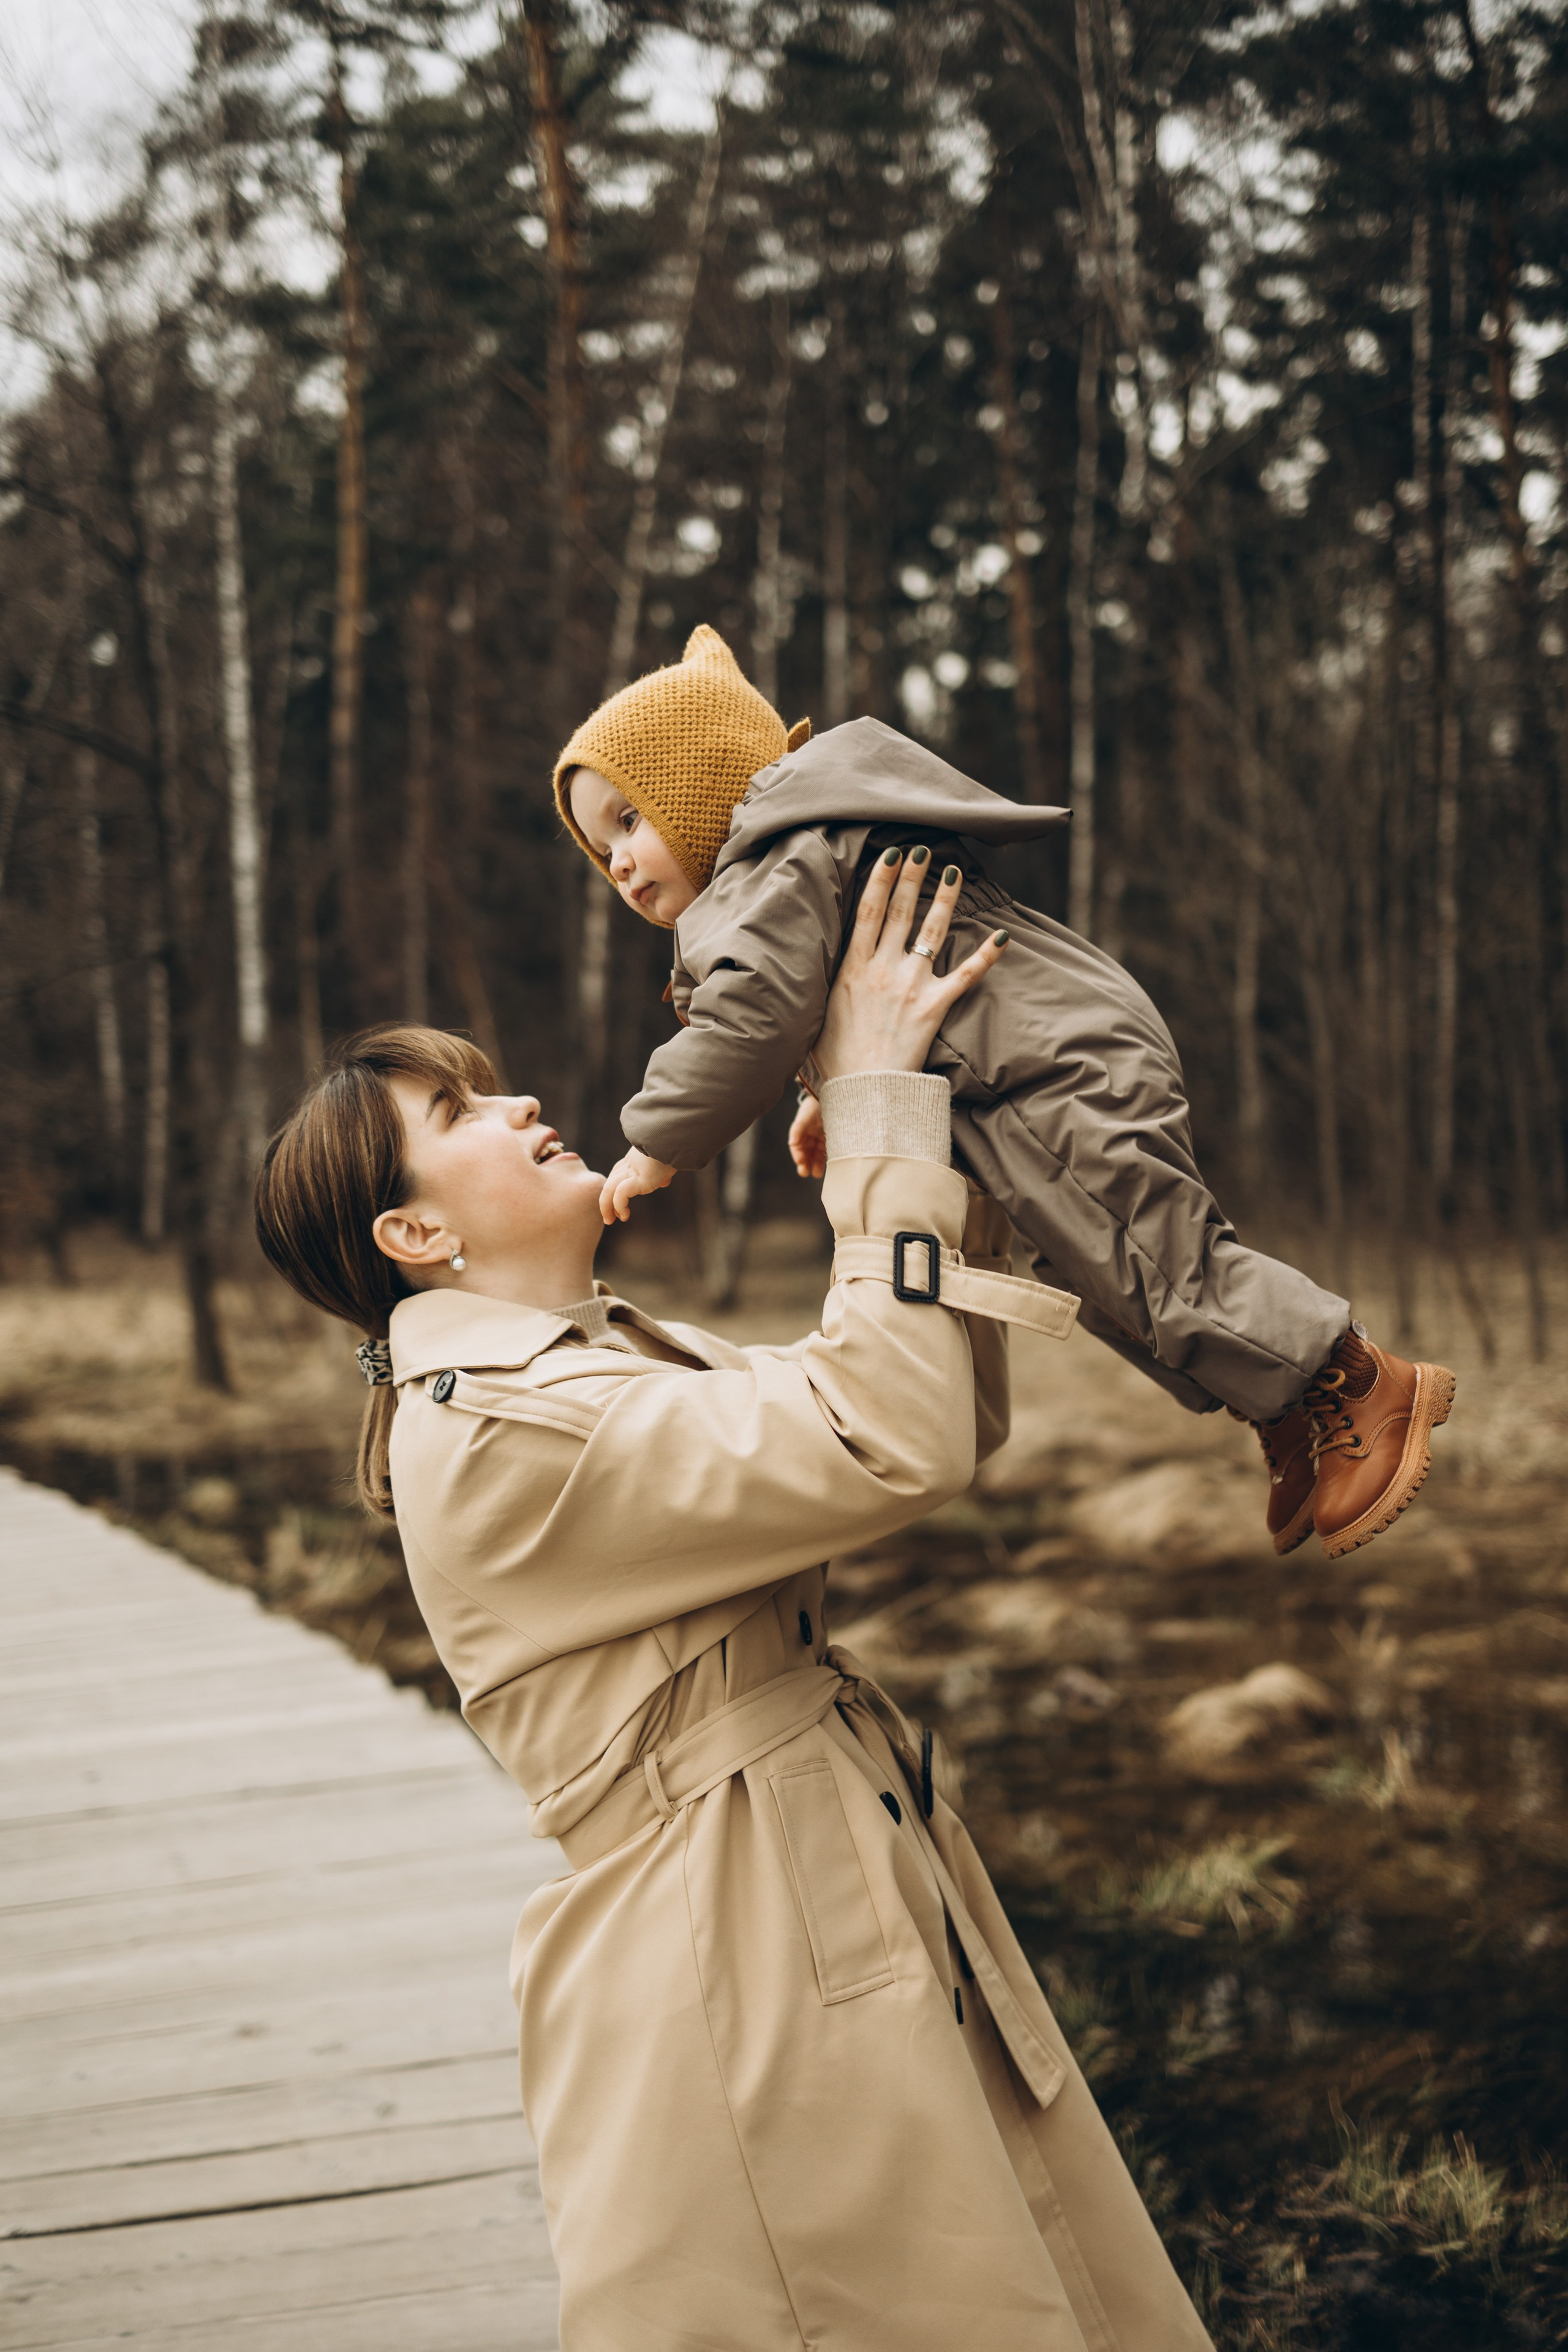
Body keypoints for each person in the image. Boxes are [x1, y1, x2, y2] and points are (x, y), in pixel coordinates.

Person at [254, 851, 1212, 2351]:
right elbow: (877, 1436)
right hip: (733, 1962)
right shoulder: (510, 1419)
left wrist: (895, 1163)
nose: (516, 1106)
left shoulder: (586, 1359)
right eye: (460, 1115)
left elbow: (923, 1422)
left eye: (490, 1086)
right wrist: (882, 1116)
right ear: (416, 1238)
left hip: (789, 1901)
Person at [555, 624, 1455, 1564]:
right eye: (597, 843)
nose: (616, 859)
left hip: (1051, 1059)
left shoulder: (777, 863)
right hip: (1020, 1071)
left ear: (704, 787)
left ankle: (1356, 1379)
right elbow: (821, 994)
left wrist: (655, 1141)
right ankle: (1280, 1402)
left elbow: (752, 1016)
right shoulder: (786, 874)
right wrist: (831, 1091)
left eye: (630, 818)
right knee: (1100, 1272)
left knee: (1153, 1253)